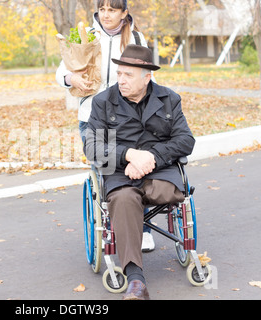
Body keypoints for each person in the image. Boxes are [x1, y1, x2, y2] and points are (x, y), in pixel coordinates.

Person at [84, 44, 195, 300]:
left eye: (128, 75)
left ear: (147, 77)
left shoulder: (169, 98)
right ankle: (136, 280)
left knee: (170, 191)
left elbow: (185, 140)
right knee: (123, 200)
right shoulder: (103, 102)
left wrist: (151, 158)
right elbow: (92, 146)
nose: (121, 80)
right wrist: (129, 155)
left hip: (160, 172)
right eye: (119, 74)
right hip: (121, 173)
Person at [55, 0, 156, 251]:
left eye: (112, 9)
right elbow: (61, 72)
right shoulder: (85, 35)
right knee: (106, 170)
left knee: (134, 170)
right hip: (93, 115)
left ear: (124, 13)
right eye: (102, 9)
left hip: (130, 118)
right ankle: (110, 225)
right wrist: (73, 77)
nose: (106, 14)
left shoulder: (136, 39)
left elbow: (150, 77)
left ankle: (141, 229)